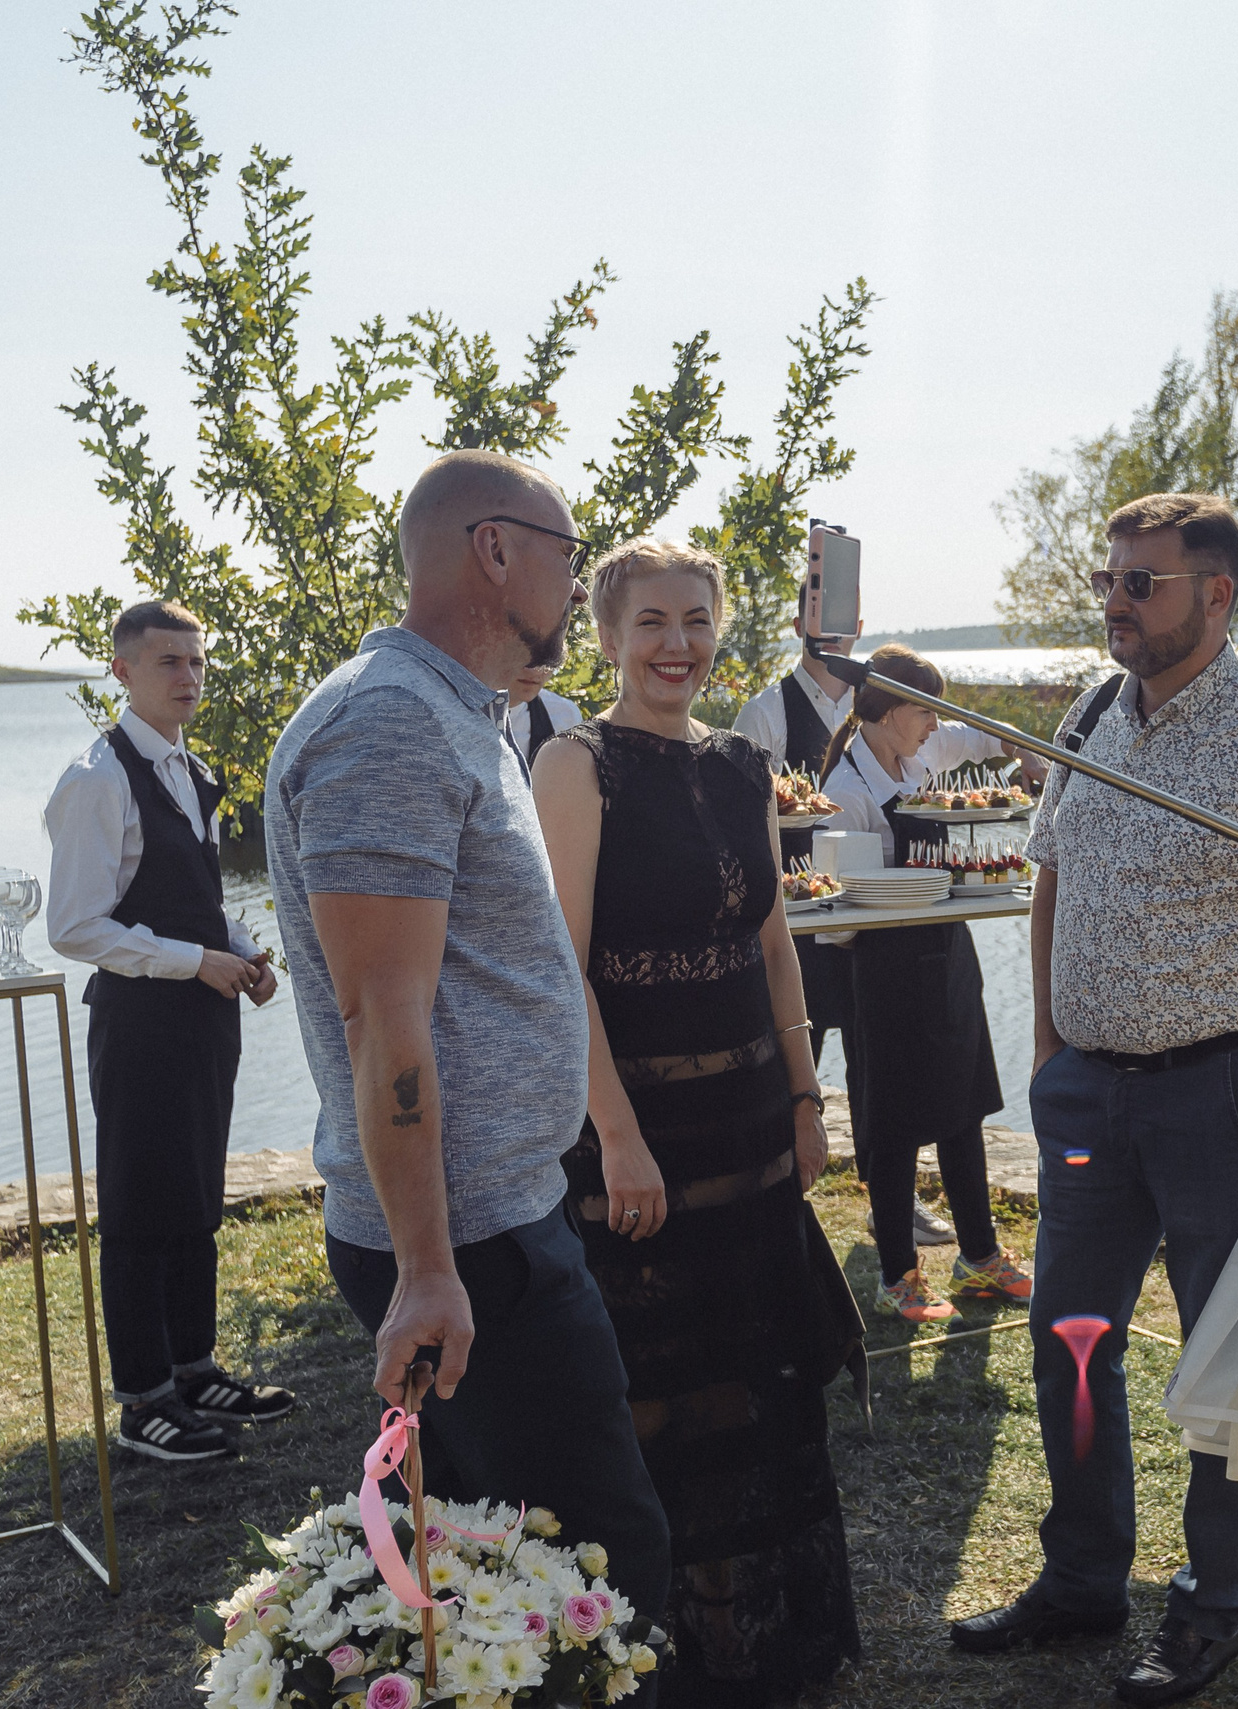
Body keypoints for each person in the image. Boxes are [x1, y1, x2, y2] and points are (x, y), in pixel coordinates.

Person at [952, 493, 1238, 1707]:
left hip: (1225, 1095)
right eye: (1109, 580)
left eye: (1141, 582)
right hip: (1089, 1093)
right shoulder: (1094, 712)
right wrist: (1047, 1049)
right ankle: (1084, 1576)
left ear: (1217, 594)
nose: (1115, 603)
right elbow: (1049, 881)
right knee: (1067, 1340)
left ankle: (1209, 1604)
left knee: (1223, 1360)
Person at [263, 450, 676, 1655]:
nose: (577, 572)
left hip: (502, 1213)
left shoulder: (462, 713)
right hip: (468, 1243)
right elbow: (381, 1021)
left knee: (527, 1564)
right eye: (564, 545)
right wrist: (429, 1267)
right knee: (596, 1558)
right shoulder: (389, 722)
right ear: (493, 550)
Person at [531, 536, 863, 1703]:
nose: (678, 644)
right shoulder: (575, 766)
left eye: (698, 620)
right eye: (652, 622)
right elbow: (557, 970)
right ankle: (660, 1650)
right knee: (660, 1396)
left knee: (763, 1382)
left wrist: (807, 1097)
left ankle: (773, 1643)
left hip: (749, 1123)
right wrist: (616, 1134)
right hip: (638, 1126)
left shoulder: (741, 765)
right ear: (609, 636)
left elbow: (772, 942)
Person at [43, 598, 290, 1463]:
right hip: (141, 1026)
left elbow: (197, 902)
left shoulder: (192, 767)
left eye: (196, 661)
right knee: (142, 1209)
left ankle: (193, 1366)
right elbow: (74, 926)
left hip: (202, 1021)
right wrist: (195, 963)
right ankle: (144, 1400)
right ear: (121, 671)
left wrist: (245, 953)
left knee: (195, 1195)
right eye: (167, 663)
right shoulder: (94, 779)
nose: (188, 678)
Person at [814, 643, 1037, 1323]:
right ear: (885, 709)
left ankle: (980, 1257)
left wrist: (1023, 754)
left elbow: (982, 735)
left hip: (949, 949)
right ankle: (896, 1272)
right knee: (896, 1119)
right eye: (923, 711)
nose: (934, 726)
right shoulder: (846, 793)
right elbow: (839, 901)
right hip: (881, 964)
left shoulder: (922, 754)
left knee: (963, 1104)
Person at [502, 660, 583, 769]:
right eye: (524, 657)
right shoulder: (472, 711)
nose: (535, 670)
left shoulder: (564, 715)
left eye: (546, 658)